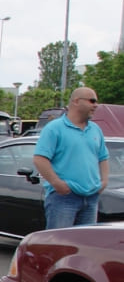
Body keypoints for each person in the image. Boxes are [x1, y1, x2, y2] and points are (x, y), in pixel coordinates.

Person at [32, 86, 109, 230]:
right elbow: (40, 159)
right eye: (92, 101)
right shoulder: (54, 128)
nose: (96, 105)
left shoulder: (95, 129)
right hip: (64, 198)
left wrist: (104, 181)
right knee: (60, 244)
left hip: (91, 197)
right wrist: (57, 183)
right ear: (76, 101)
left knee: (85, 245)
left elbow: (103, 157)